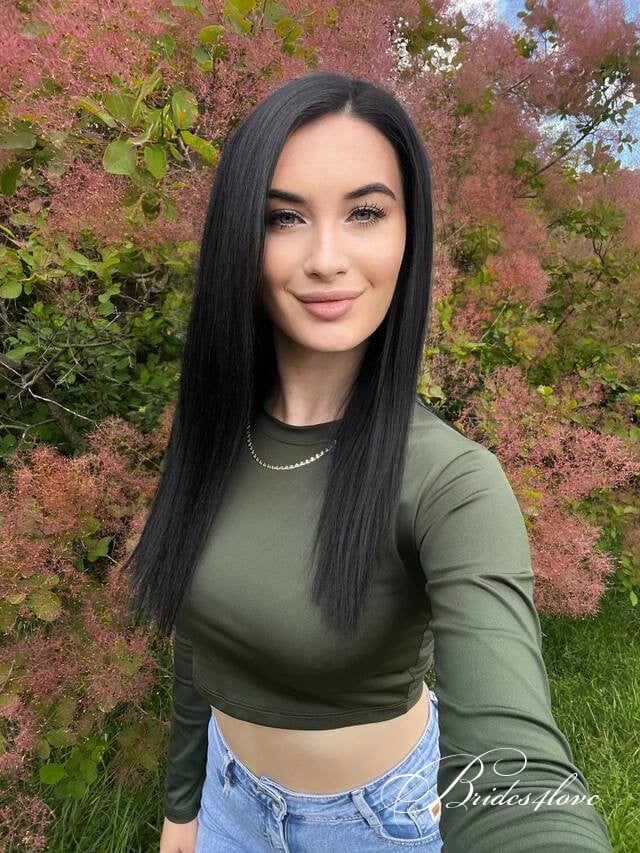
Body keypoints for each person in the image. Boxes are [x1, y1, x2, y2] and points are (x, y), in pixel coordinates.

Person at [124, 71, 613, 852]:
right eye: (284, 217)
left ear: (408, 234)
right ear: (240, 238)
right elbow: (201, 630)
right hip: (228, 801)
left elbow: (516, 767)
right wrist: (183, 805)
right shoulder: (215, 426)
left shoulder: (453, 484)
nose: (326, 258)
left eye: (365, 212)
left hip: (378, 823)